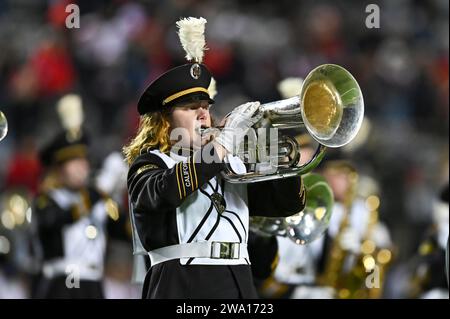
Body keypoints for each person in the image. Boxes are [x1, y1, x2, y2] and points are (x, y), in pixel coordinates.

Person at [124, 17, 306, 299]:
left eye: (205, 107)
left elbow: (286, 205)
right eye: (190, 107)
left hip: (239, 284)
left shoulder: (232, 165)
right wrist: (222, 145)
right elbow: (167, 191)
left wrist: (274, 158)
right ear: (164, 121)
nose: (202, 114)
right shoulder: (150, 163)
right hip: (180, 285)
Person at [32, 94, 127, 298]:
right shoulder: (47, 200)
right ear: (58, 169)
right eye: (73, 161)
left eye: (83, 160)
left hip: (95, 285)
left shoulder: (99, 200)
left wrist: (128, 192)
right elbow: (61, 218)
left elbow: (128, 233)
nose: (82, 167)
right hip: (64, 284)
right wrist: (100, 190)